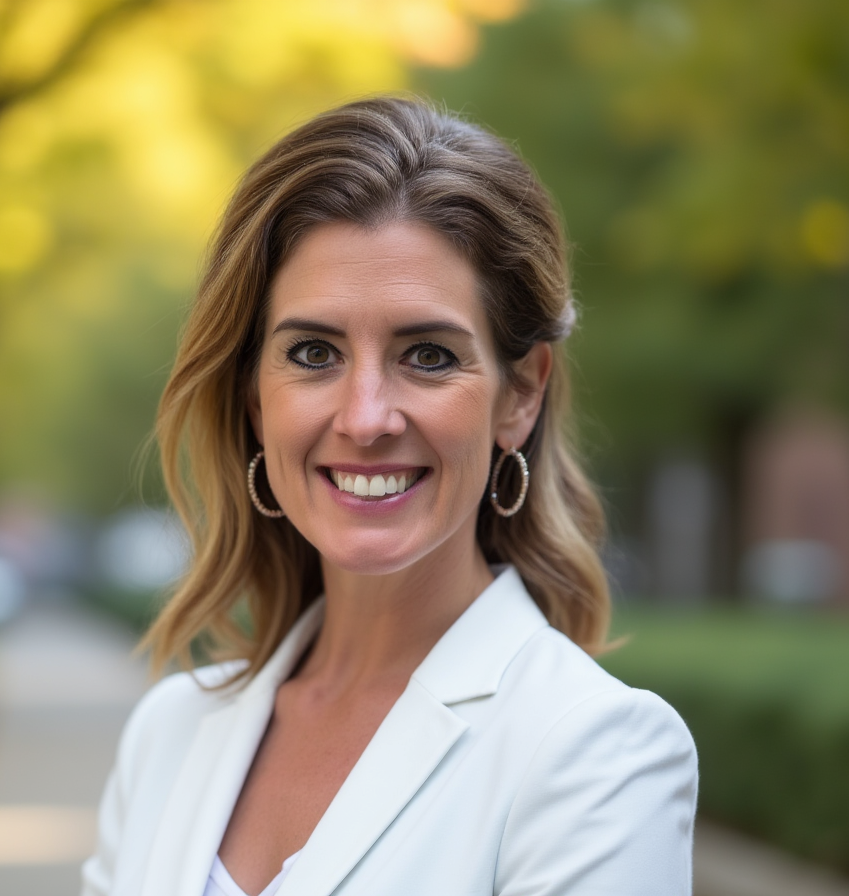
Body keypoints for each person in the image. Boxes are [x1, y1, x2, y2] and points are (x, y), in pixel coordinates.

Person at [81, 96, 698, 896]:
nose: (366, 418)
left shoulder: (594, 752)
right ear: (253, 398)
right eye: (313, 353)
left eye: (428, 356)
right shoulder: (169, 732)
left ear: (520, 394)